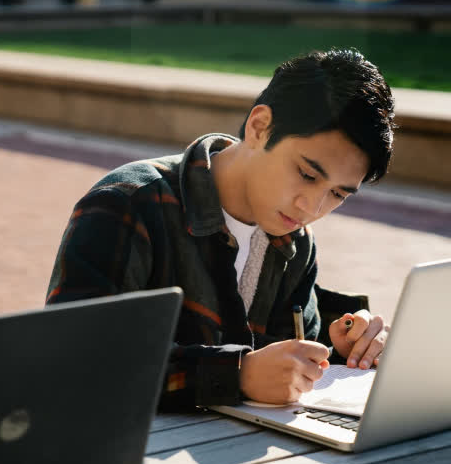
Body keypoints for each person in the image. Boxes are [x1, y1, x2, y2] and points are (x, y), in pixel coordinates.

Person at [46, 49, 395, 410]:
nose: (312, 208)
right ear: (260, 127)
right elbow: (76, 363)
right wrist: (236, 375)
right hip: (127, 455)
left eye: (338, 193)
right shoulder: (127, 204)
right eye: (307, 174)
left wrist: (343, 348)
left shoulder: (296, 242)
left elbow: (288, 367)